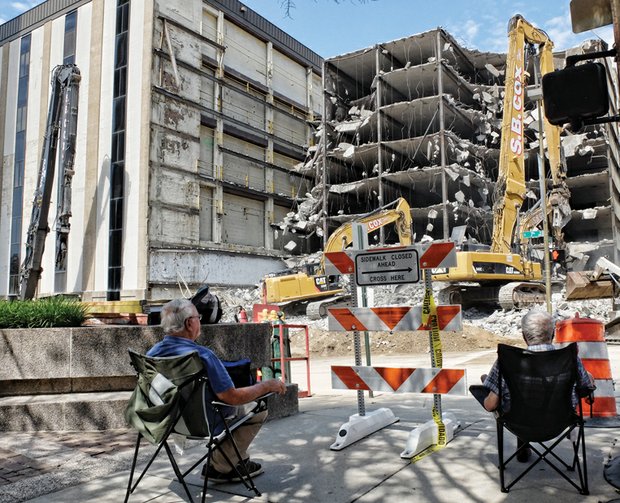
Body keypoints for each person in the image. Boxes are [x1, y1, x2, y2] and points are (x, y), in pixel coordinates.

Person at [147, 298, 286, 483]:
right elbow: (231, 397)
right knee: (258, 405)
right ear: (189, 323)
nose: (200, 321)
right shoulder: (202, 356)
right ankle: (223, 465)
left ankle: (233, 460)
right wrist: (267, 385)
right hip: (202, 423)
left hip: (167, 420)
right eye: (198, 317)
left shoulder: (151, 354)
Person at [480, 309, 594, 461]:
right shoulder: (570, 359)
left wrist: (487, 394)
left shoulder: (508, 362)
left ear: (524, 336)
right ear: (552, 334)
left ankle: (522, 445)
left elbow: (490, 405)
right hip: (560, 421)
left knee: (508, 396)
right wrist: (590, 378)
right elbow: (586, 390)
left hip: (519, 423)